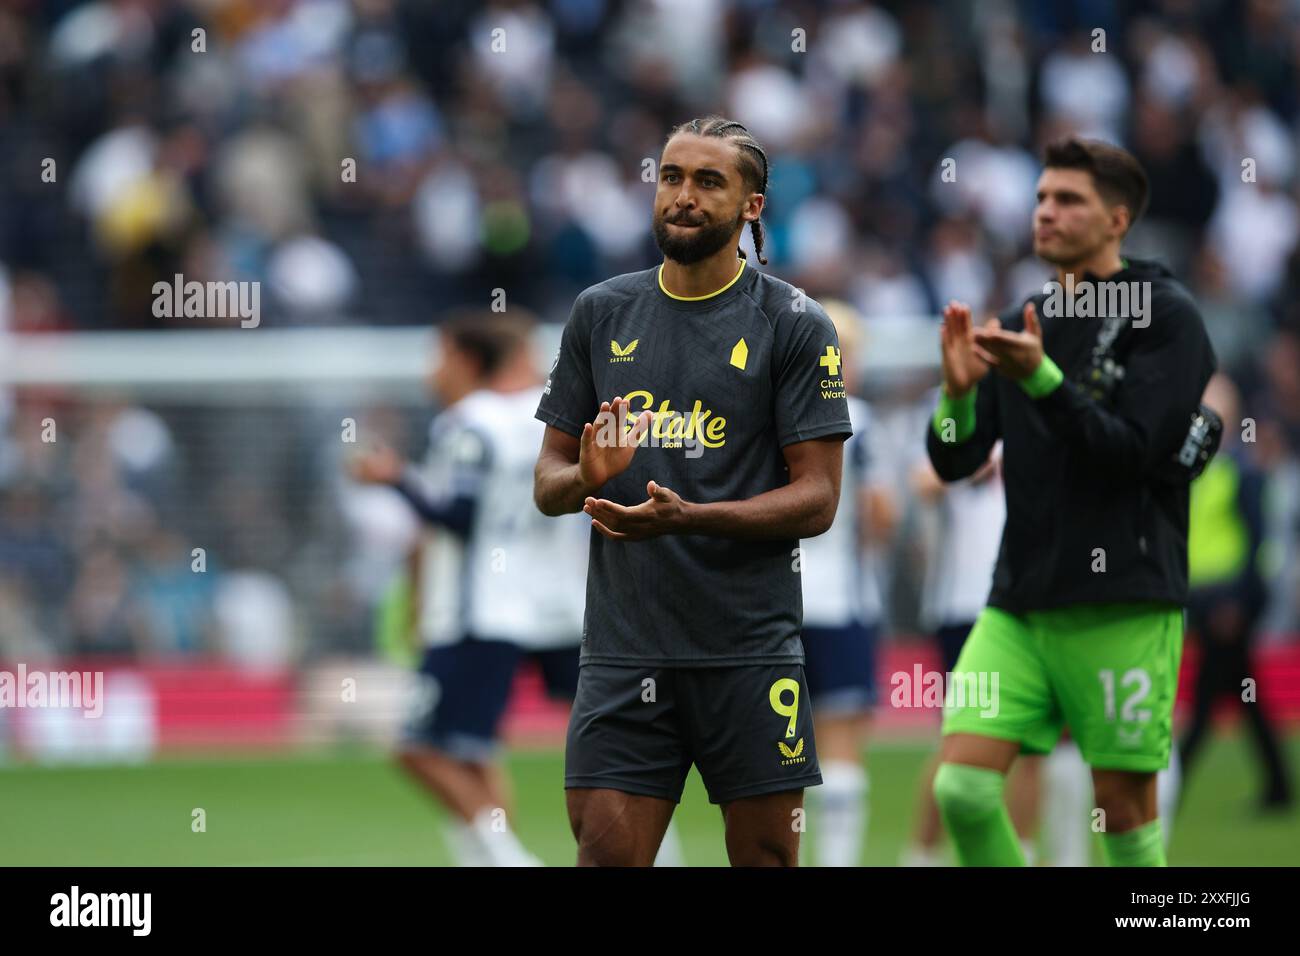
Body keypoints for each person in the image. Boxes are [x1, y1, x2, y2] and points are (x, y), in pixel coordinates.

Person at [533, 115, 852, 866]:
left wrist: (691, 518)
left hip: (749, 650)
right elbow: (547, 483)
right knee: (606, 855)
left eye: (709, 182)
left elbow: (818, 500)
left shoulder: (796, 324)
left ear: (752, 206)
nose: (683, 196)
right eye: (671, 177)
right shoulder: (601, 312)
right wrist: (587, 476)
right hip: (624, 648)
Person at [926, 137, 1216, 867]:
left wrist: (1044, 380)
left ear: (1118, 219)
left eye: (1068, 199)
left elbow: (1135, 455)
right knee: (960, 787)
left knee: (1118, 811)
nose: (1046, 212)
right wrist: (957, 394)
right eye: (1041, 198)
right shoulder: (1026, 316)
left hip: (1121, 601)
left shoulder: (1164, 314)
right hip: (1018, 602)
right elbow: (956, 458)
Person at [351, 311, 587, 866]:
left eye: (440, 355)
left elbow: (457, 514)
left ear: (465, 359)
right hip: (549, 603)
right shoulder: (546, 421)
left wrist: (396, 480)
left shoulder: (466, 423)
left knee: (419, 747)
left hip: (474, 607)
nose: (432, 369)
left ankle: (511, 861)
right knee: (477, 750)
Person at [798, 300, 895, 866]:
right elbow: (881, 514)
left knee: (777, 748)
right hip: (842, 598)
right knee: (841, 738)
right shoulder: (859, 415)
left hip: (775, 600)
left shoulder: (770, 413)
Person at [1179, 373, 1293, 810]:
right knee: (1244, 696)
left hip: (1227, 604)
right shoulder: (1205, 470)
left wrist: (1239, 603)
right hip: (1209, 599)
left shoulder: (1242, 472)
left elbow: (1255, 542)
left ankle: (1174, 780)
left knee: (1212, 699)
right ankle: (1279, 789)